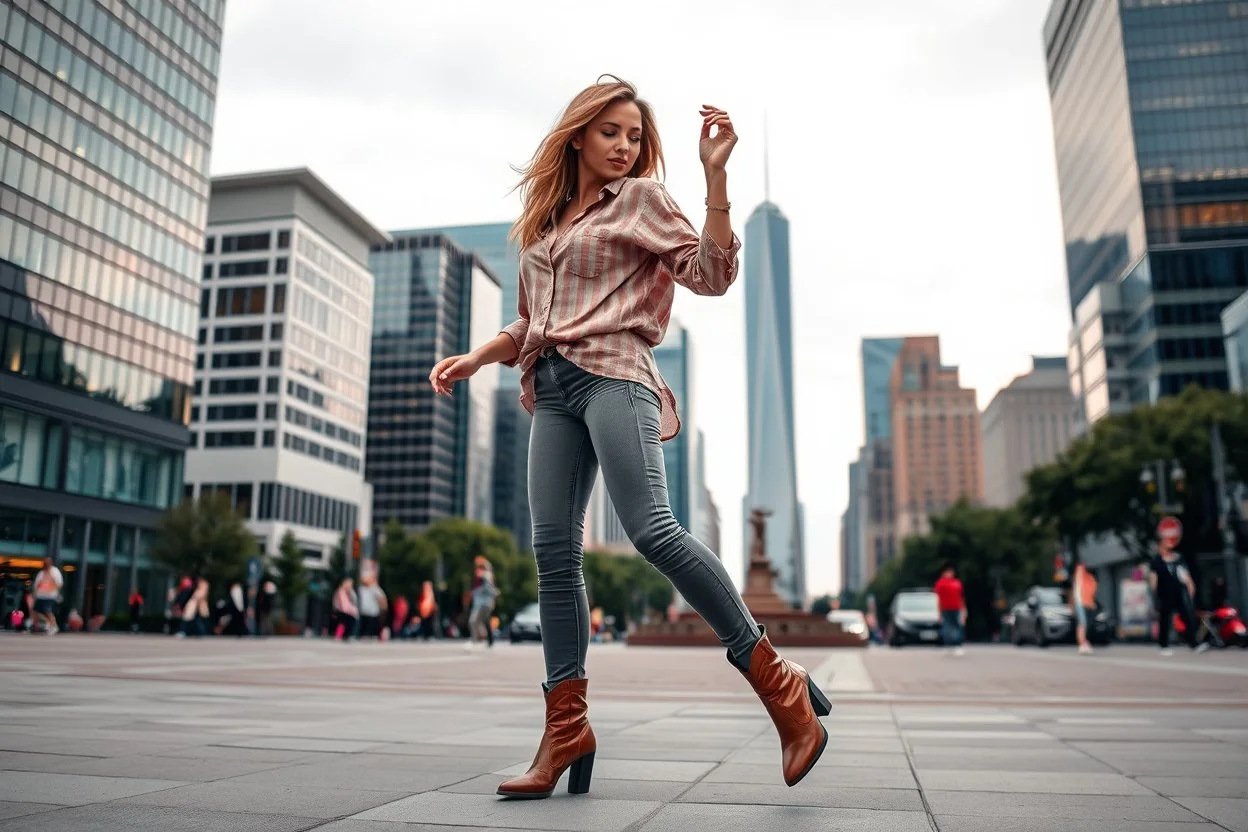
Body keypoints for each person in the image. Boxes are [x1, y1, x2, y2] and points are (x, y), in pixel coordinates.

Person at [427, 76, 830, 798]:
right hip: (550, 388)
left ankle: (779, 684)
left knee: (653, 529)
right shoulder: (545, 224)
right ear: (578, 135)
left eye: (635, 136)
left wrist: (715, 180)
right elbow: (533, 321)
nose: (624, 146)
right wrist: (480, 355)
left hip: (617, 377)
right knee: (554, 554)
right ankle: (565, 728)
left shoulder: (643, 199)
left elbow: (708, 274)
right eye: (611, 132)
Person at [1150, 544, 1209, 655]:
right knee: (1165, 620)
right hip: (1164, 594)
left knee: (1187, 617)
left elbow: (1185, 575)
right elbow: (1153, 578)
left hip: (1179, 593)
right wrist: (1155, 594)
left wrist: (1191, 587)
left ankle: (1194, 643)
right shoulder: (1156, 562)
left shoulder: (1178, 561)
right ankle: (1164, 645)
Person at [933, 563, 966, 657]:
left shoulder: (957, 583)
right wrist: (939, 612)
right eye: (947, 572)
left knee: (958, 627)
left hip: (956, 608)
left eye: (950, 572)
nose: (949, 574)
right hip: (945, 609)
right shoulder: (940, 583)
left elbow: (961, 597)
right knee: (946, 628)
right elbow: (938, 598)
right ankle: (948, 645)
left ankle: (958, 645)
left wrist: (964, 610)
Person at [467, 557, 497, 650]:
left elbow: (487, 588)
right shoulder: (485, 576)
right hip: (484, 603)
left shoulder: (486, 576)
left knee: (473, 621)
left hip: (484, 603)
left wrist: (474, 592)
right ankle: (488, 640)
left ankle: (475, 640)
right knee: (484, 621)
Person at [1071, 559, 1098, 655]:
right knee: (1083, 623)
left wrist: (1092, 602)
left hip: (1086, 602)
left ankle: (1084, 643)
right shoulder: (1080, 572)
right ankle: (1082, 644)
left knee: (1085, 624)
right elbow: (1078, 589)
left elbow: (1090, 591)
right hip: (1080, 602)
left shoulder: (1089, 577)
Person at [32, 557, 63, 634]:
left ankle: (54, 626)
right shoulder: (41, 573)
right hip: (41, 595)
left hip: (50, 595)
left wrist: (56, 592)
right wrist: (35, 594)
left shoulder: (54, 571)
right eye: (45, 563)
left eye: (47, 563)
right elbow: (37, 584)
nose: (46, 565)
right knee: (36, 612)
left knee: (48, 611)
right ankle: (48, 622)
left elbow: (59, 583)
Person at [357, 574, 388, 640]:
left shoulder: (375, 589)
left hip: (373, 610)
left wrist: (383, 608)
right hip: (363, 610)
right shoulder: (361, 589)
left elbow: (382, 598)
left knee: (371, 623)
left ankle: (371, 635)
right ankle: (364, 635)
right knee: (364, 623)